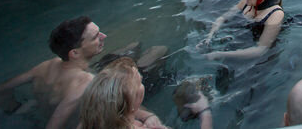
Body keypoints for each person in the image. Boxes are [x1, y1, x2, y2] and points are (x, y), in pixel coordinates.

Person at [0, 16, 106, 129]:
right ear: (75, 53)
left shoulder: (47, 65)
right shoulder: (85, 82)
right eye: (95, 37)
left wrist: (16, 108)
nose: (103, 36)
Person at [79, 56, 212, 129]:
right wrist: (204, 112)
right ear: (130, 104)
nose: (141, 78)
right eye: (139, 82)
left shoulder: (90, 121)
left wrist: (147, 116)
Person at [202, 0, 286, 60]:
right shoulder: (246, 1)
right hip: (238, 41)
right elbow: (222, 18)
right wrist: (209, 38)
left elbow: (261, 50)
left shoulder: (276, 14)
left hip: (258, 58)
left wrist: (220, 54)